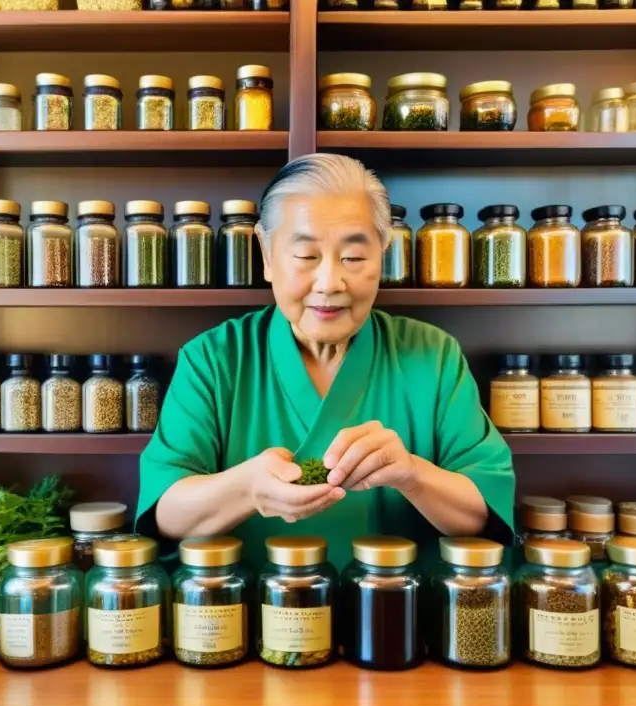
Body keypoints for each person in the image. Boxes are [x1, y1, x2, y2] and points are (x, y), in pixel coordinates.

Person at [135, 153, 515, 570]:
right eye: (306, 256)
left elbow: (485, 513)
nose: (330, 283)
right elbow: (164, 514)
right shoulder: (214, 358)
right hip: (239, 624)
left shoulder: (433, 355)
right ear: (266, 254)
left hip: (403, 620)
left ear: (383, 255)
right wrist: (246, 488)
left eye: (353, 258)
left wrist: (411, 474)